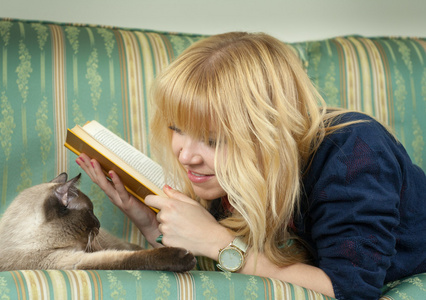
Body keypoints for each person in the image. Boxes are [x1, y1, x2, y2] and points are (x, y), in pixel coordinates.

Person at [76, 32, 426, 299]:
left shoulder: (353, 152)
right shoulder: (228, 172)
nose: (186, 156)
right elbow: (218, 266)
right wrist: (151, 225)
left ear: (268, 133)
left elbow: (350, 290)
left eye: (213, 140)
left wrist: (220, 243)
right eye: (176, 129)